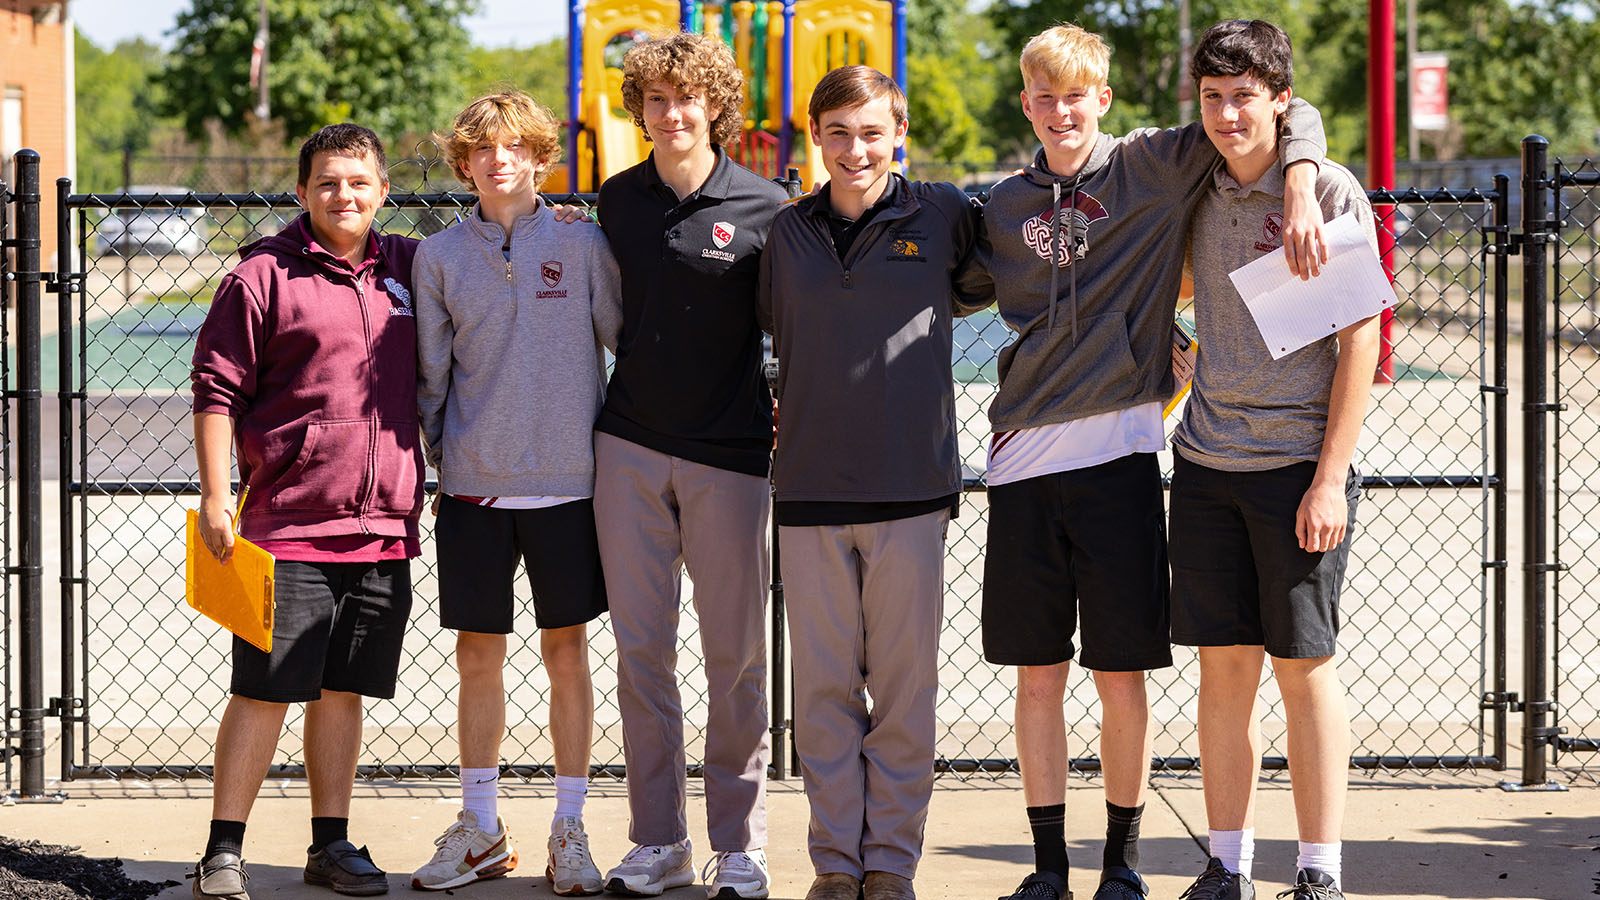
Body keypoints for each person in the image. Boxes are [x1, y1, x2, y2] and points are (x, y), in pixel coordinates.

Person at [954, 23, 1330, 900]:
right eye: (1043, 97)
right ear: (1025, 104)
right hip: (1020, 463)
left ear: (1104, 99)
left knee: (1121, 676)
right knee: (1038, 679)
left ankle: (1120, 862)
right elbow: (939, 277)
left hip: (1119, 457)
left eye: (1075, 94)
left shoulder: (1151, 166)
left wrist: (1304, 186)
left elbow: (1283, 105)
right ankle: (1048, 869)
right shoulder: (1002, 206)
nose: (1059, 111)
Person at [759, 65, 981, 900]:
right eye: (839, 132)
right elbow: (768, 332)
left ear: (901, 132)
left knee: (902, 694)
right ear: (817, 137)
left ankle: (889, 864)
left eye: (872, 130)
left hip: (911, 491)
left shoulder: (946, 214)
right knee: (820, 697)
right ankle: (834, 865)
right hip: (811, 492)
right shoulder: (785, 235)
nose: (856, 148)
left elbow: (1027, 278)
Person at [1169, 20, 1378, 900]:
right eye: (1212, 98)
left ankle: (1319, 871)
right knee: (1224, 671)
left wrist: (1331, 477)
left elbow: (1361, 338)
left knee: (1305, 670)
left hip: (1297, 468)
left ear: (1280, 102)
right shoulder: (1197, 188)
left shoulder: (1326, 191)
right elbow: (1176, 290)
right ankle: (1227, 864)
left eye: (1243, 97)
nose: (1225, 114)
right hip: (1208, 463)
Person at [189, 123, 424, 900]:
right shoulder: (262, 275)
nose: (343, 195)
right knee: (262, 689)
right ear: (302, 193)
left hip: (383, 525)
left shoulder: (411, 268)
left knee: (342, 691)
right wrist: (218, 494)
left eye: (359, 181)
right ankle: (223, 849)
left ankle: (331, 845)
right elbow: (217, 389)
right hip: (287, 524)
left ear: (384, 191)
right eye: (327, 182)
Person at [590, 31, 787, 900]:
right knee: (642, 653)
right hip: (629, 447)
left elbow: (794, 329)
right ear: (639, 111)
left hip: (731, 458)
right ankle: (658, 840)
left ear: (715, 104)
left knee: (737, 659)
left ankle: (738, 843)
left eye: (687, 97)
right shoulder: (615, 202)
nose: (672, 113)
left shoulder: (768, 207)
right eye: (656, 100)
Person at [408, 91, 621, 895]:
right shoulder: (439, 258)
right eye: (482, 150)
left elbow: (626, 350)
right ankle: (482, 829)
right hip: (473, 490)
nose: (500, 161)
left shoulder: (584, 240)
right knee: (477, 658)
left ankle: (570, 828)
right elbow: (431, 380)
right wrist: (436, 468)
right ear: (463, 163)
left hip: (570, 488)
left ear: (539, 156)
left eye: (515, 147)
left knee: (567, 654)